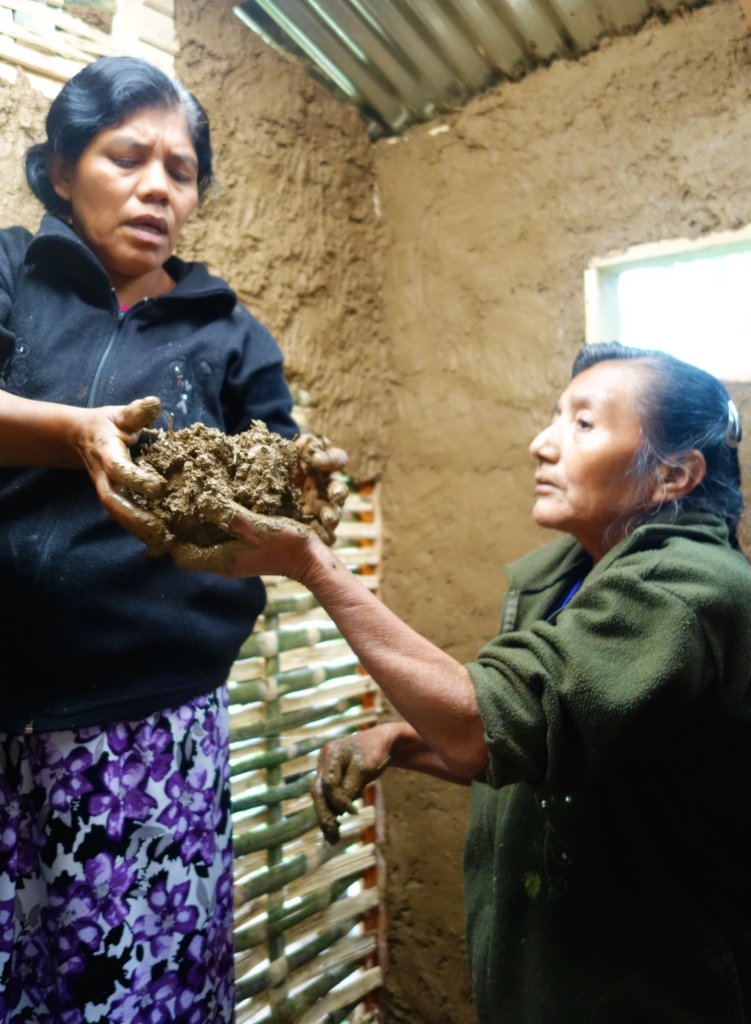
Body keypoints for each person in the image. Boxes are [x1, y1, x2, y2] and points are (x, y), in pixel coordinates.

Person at [173, 341, 751, 1023]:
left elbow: (483, 724)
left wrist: (311, 564)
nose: (541, 443)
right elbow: (544, 741)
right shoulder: (578, 575)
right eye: (554, 417)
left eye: (583, 424)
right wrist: (403, 741)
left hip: (649, 992)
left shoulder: (683, 590)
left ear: (675, 475)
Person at [0, 55, 347, 1022]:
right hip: (2, 710)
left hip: (146, 735)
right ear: (62, 169)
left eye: (181, 169)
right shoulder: (10, 272)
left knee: (133, 992)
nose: (158, 185)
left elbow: (273, 484)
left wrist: (291, 495)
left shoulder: (231, 334)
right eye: (126, 157)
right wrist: (74, 433)